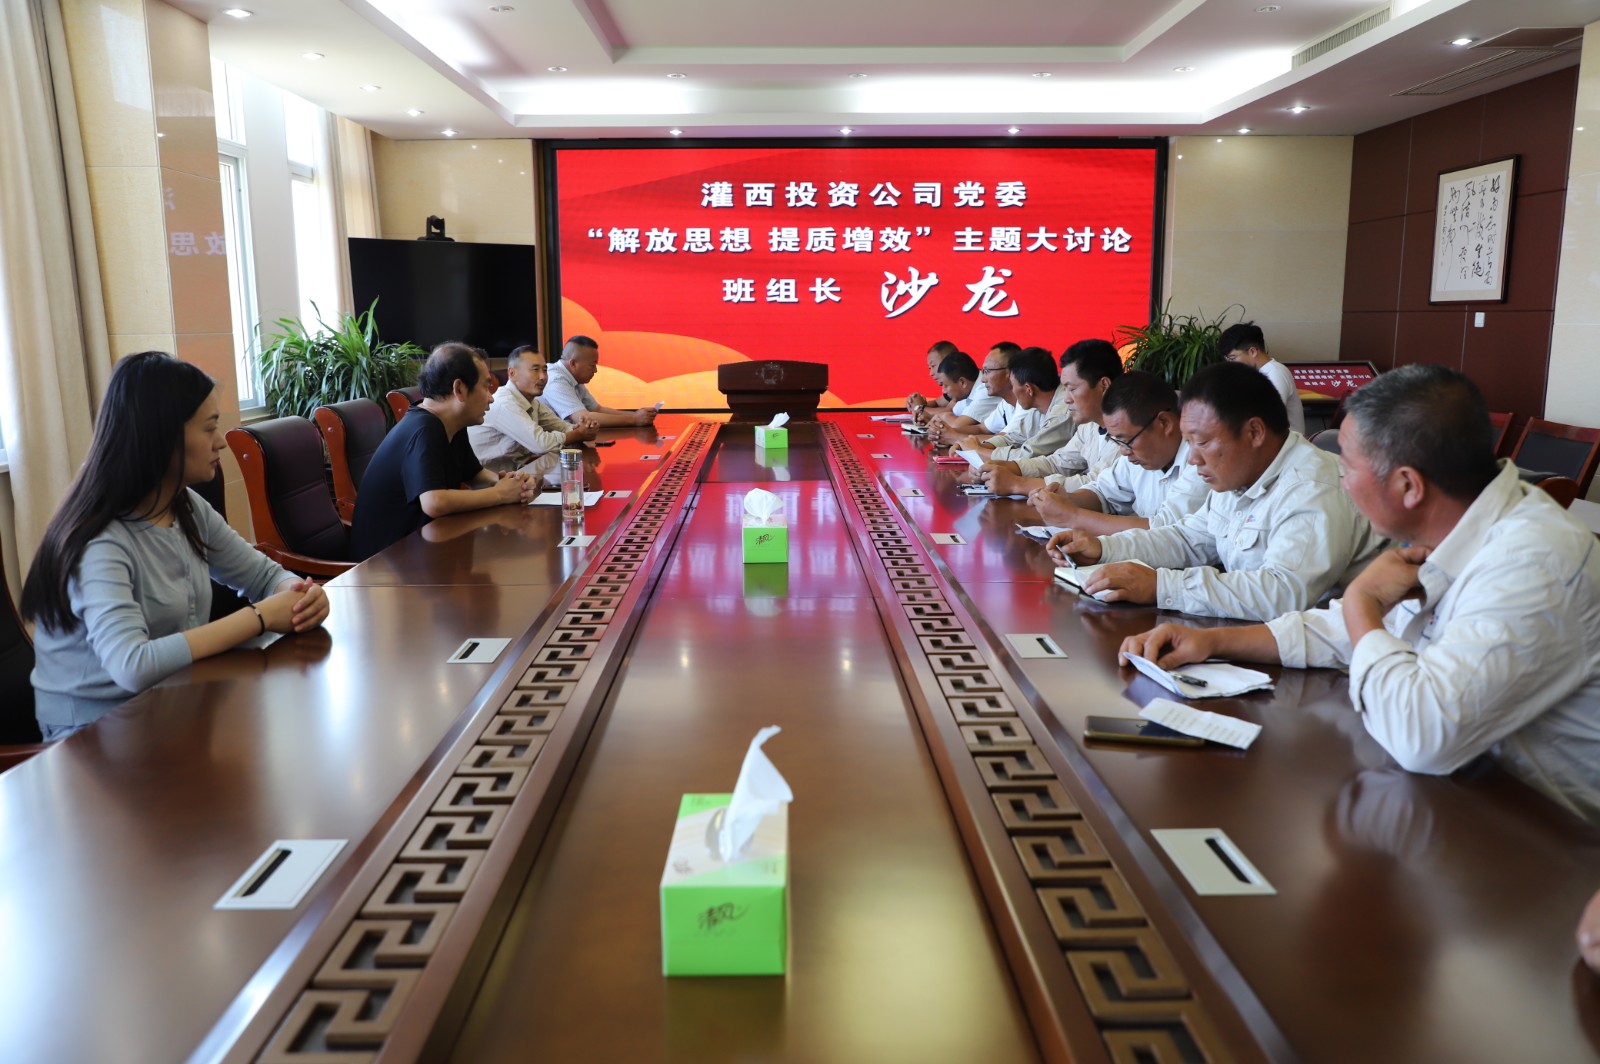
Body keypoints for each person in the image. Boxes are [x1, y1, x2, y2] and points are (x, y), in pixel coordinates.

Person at [1121, 363, 1600, 823]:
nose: (1342, 482)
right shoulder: (1455, 526)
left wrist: (1361, 603)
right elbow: (1355, 633)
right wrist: (1213, 641)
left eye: (1348, 467)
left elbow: (1421, 736)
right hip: (1466, 795)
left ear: (1408, 485)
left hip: (1548, 833)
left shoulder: (1532, 562)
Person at [22, 351, 330, 739]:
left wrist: (300, 597)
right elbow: (133, 666)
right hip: (92, 735)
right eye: (209, 428)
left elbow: (264, 575)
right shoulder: (99, 541)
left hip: (169, 705)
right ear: (162, 437)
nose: (221, 442)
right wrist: (261, 617)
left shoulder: (184, 505)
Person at [1052, 360, 1383, 620]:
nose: (1193, 458)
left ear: (1254, 432)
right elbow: (1187, 538)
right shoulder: (1238, 476)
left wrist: (1163, 585)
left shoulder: (1312, 487)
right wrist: (1103, 548)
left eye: (1203, 442)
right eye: (1189, 443)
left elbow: (1282, 592)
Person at [352, 342, 539, 559]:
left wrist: (511, 483)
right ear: (459, 389)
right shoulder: (424, 428)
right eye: (486, 386)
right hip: (384, 564)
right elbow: (434, 502)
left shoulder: (451, 423)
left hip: (423, 548)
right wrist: (500, 494)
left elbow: (475, 475)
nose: (490, 397)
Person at [1035, 370, 1207, 536]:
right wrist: (1068, 499)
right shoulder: (1139, 452)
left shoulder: (1201, 461)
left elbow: (1165, 531)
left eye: (1127, 440)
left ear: (1164, 423)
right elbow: (1103, 491)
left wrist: (1074, 517)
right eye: (1118, 441)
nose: (1123, 451)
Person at [983, 339, 1124, 497]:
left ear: (1104, 385)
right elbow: (1057, 463)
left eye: (1072, 389)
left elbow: (1095, 485)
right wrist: (1004, 467)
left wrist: (1017, 484)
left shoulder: (1127, 432)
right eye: (1065, 389)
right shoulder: (1089, 426)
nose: (1066, 399)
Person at [469, 345, 599, 473]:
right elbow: (541, 444)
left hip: (515, 475)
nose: (543, 377)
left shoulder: (533, 402)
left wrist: (586, 429)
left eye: (545, 370)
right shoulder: (505, 403)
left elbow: (562, 427)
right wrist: (578, 434)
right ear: (512, 373)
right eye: (535, 370)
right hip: (486, 482)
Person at [954, 346, 1072, 462]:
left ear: (1028, 389)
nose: (1013, 391)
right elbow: (1013, 437)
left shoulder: (1062, 412)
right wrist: (975, 446)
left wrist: (978, 451)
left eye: (1013, 385)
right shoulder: (1037, 406)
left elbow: (1029, 454)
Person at [542, 335, 659, 427]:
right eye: (592, 365)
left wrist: (637, 415)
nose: (595, 370)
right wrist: (634, 420)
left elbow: (597, 409)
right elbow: (584, 418)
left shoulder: (573, 377)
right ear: (573, 363)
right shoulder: (555, 380)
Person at [1219, 321, 1305, 435]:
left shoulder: (1275, 373)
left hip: (1286, 444)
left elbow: (1267, 417)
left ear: (1253, 351)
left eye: (1232, 358)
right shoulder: (1255, 375)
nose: (1230, 364)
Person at [929, 342, 1019, 442]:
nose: (984, 379)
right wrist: (945, 433)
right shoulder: (1005, 404)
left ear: (1009, 373)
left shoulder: (1026, 406)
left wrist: (954, 437)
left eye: (988, 371)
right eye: (983, 371)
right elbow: (982, 429)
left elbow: (1007, 440)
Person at [907, 339, 959, 412]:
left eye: (933, 366)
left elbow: (948, 411)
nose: (931, 373)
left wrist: (919, 407)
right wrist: (916, 403)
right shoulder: (951, 388)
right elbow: (937, 403)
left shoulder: (960, 386)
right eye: (929, 368)